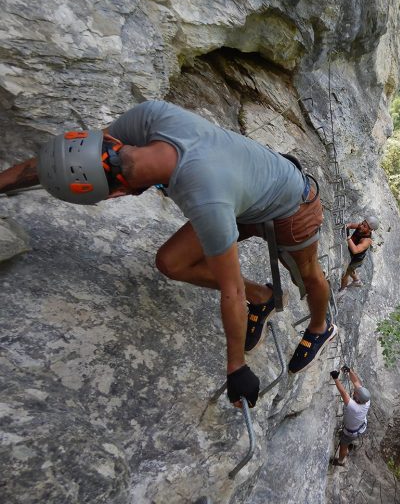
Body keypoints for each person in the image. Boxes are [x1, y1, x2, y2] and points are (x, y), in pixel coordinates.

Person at [0, 100, 338, 409]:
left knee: (309, 274)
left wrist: (236, 366)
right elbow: (67, 160)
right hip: (243, 193)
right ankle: (262, 297)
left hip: (292, 205)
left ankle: (320, 327)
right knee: (170, 262)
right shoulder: (147, 119)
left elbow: (230, 290)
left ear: (117, 194)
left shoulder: (206, 199)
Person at [330, 365, 370, 466]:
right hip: (360, 426)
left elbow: (343, 393)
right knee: (346, 442)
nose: (354, 392)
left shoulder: (354, 407)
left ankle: (340, 461)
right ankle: (348, 445)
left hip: (351, 432)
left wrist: (335, 378)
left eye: (355, 393)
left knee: (343, 446)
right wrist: (350, 371)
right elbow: (356, 382)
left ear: (358, 399)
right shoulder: (366, 400)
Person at [339, 217, 378, 291]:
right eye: (362, 223)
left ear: (370, 230)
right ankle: (357, 280)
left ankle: (342, 290)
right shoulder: (361, 226)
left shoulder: (367, 240)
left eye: (364, 226)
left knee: (345, 275)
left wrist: (348, 237)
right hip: (352, 254)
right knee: (351, 270)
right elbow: (350, 225)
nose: (361, 226)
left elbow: (355, 250)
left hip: (355, 259)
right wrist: (346, 226)